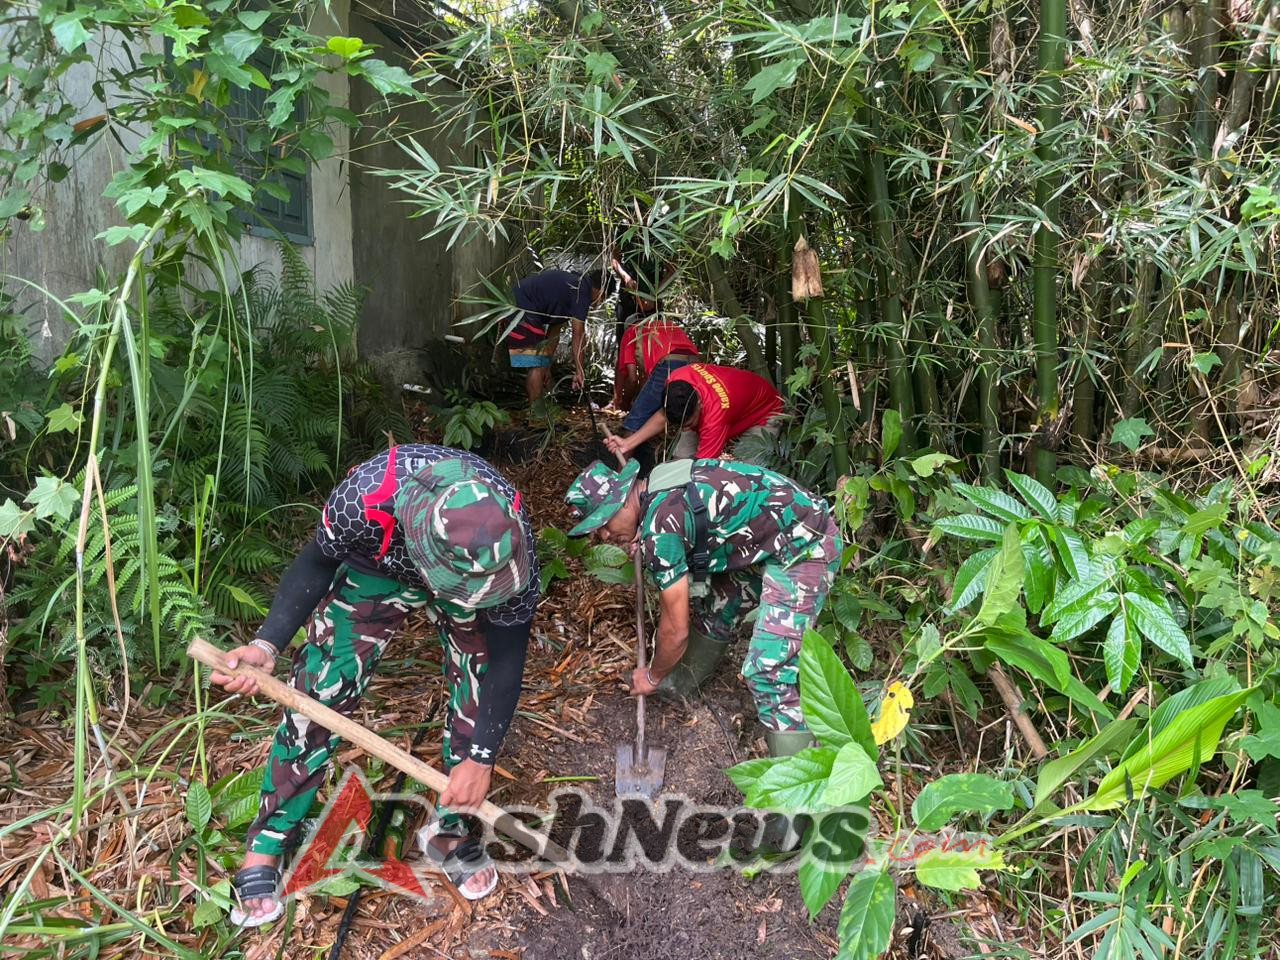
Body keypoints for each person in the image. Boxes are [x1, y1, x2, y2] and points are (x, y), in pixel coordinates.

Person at [211, 445, 539, 925]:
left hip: (476, 581)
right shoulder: (364, 499)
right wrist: (267, 644)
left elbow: (507, 658)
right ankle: (268, 841)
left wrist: (482, 758)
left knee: (479, 687)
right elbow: (316, 564)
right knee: (320, 687)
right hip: (379, 566)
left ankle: (450, 829)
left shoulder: (508, 546)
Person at [564, 457, 842, 760]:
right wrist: (644, 535)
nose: (604, 536)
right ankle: (680, 683)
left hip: (805, 547)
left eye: (604, 522)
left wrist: (652, 676)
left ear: (622, 500)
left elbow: (676, 631)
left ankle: (801, 774)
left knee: (767, 671)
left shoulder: (661, 529)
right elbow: (685, 522)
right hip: (773, 538)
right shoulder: (658, 485)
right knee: (717, 606)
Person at [605, 362, 786, 464]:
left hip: (765, 412)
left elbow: (702, 470)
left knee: (748, 474)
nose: (685, 429)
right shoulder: (677, 379)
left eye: (689, 424)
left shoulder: (715, 416)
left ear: (700, 404)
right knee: (679, 462)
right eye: (682, 425)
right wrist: (628, 443)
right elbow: (664, 414)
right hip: (734, 403)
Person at [614, 315, 701, 472]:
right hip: (696, 364)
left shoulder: (632, 331)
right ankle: (687, 470)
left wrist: (625, 403)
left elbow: (632, 377)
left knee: (633, 422)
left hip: (669, 363)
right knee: (689, 414)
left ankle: (620, 478)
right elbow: (649, 385)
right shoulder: (667, 325)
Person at [504, 268, 605, 403]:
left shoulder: (575, 285)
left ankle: (538, 408)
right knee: (537, 364)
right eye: (602, 299)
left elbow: (554, 331)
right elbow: (578, 334)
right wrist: (580, 371)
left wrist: (548, 364)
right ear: (601, 291)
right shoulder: (582, 291)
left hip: (520, 304)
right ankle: (535, 411)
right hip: (521, 307)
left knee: (540, 365)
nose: (598, 304)